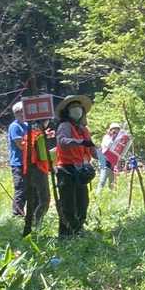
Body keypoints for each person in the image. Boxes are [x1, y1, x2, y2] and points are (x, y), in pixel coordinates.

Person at [53, 94, 96, 236]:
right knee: (68, 203)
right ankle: (67, 234)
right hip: (66, 169)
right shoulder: (65, 126)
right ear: (67, 111)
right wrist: (80, 142)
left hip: (81, 170)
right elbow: (63, 141)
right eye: (73, 107)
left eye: (79, 107)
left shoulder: (83, 129)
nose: (77, 110)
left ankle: (79, 229)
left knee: (82, 202)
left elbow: (92, 148)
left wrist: (105, 159)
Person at [8, 101, 51, 234]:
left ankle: (32, 216)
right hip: (19, 163)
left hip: (32, 163)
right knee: (21, 189)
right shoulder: (14, 126)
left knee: (33, 189)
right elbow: (21, 145)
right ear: (17, 113)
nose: (24, 115)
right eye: (21, 113)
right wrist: (34, 140)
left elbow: (35, 139)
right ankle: (17, 215)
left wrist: (43, 136)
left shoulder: (27, 125)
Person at [97, 121, 123, 189]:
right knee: (102, 180)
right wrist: (113, 138)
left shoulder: (118, 140)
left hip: (113, 162)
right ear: (110, 130)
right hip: (104, 160)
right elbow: (107, 146)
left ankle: (111, 194)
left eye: (117, 130)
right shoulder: (106, 137)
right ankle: (98, 194)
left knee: (112, 183)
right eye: (114, 129)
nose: (116, 131)